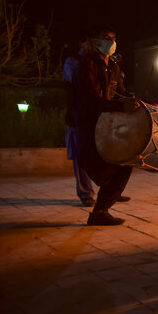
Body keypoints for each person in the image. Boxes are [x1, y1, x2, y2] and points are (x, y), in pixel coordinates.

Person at [72, 26, 136, 226]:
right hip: (89, 126)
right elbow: (90, 99)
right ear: (95, 41)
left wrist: (133, 101)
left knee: (125, 164)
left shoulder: (114, 67)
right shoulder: (87, 65)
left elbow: (121, 93)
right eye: (106, 38)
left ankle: (100, 210)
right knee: (104, 170)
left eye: (113, 38)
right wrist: (119, 105)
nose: (111, 41)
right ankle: (100, 201)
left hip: (109, 125)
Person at [63, 41, 96, 207]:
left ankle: (110, 189)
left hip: (97, 117)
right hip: (78, 117)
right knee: (80, 156)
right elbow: (78, 84)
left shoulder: (101, 63)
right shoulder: (73, 63)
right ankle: (86, 193)